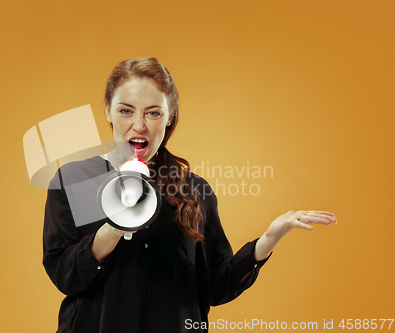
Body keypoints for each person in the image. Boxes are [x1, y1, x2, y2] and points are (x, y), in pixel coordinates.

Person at [42, 57, 336, 333]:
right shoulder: (72, 180)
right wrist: (114, 228)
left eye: (153, 112)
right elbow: (64, 274)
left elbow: (215, 288)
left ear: (169, 117)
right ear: (108, 109)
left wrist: (267, 241)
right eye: (126, 110)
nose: (139, 125)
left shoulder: (195, 190)